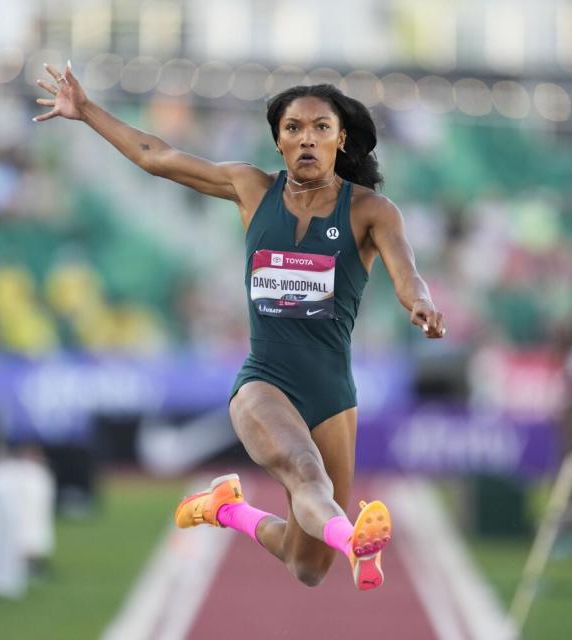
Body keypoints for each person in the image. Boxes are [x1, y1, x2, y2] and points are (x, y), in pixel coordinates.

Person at [34, 62, 446, 591]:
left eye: (321, 128)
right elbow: (155, 156)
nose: (307, 139)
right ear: (277, 140)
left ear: (341, 140)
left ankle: (228, 511)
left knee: (306, 565)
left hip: (333, 394)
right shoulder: (251, 188)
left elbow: (406, 273)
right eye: (293, 128)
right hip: (265, 381)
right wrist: (85, 110)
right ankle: (355, 544)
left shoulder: (371, 210)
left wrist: (422, 303)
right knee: (304, 470)